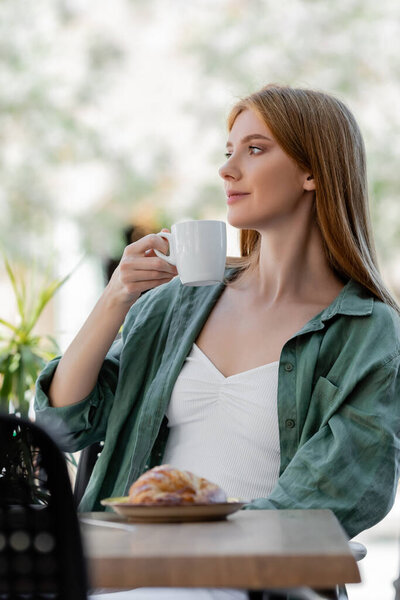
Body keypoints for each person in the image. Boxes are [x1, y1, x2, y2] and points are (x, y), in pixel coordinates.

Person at [35, 84, 400, 600]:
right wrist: (115, 297)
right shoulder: (174, 305)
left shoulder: (366, 330)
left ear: (312, 170)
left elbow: (343, 489)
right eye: (227, 153)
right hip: (132, 579)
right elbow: (61, 425)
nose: (228, 170)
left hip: (260, 584)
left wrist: (195, 556)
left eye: (254, 150)